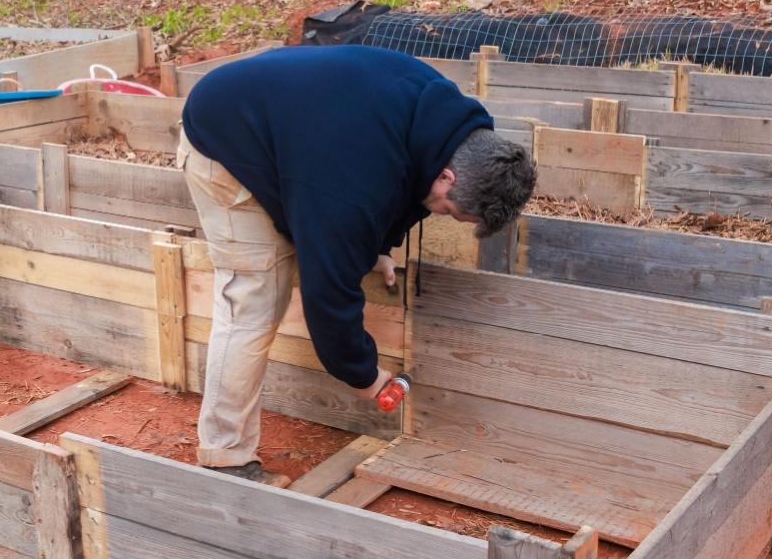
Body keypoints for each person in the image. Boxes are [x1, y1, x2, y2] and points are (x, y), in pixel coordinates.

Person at [177, 45, 536, 487]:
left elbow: (397, 183)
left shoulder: (447, 129)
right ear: (448, 176)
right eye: (448, 210)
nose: (441, 214)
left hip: (294, 130)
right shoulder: (354, 177)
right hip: (224, 138)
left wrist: (380, 243)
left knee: (324, 234)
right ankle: (226, 459)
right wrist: (363, 375)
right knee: (254, 299)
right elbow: (327, 295)